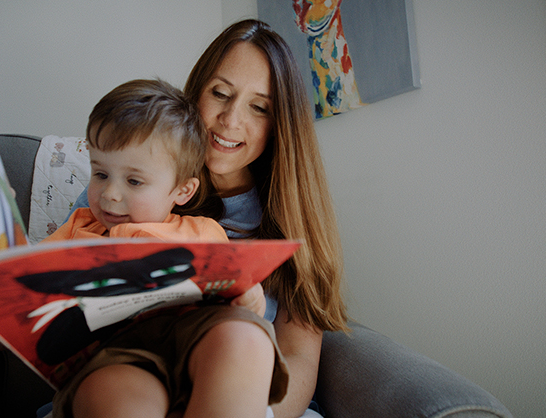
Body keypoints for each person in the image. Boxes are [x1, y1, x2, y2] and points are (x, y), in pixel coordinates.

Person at [67, 19, 349, 418]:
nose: (230, 120)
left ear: (278, 125)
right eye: (220, 93)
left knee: (240, 341)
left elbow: (298, 358)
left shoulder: (289, 221)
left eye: (258, 107)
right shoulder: (117, 189)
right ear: (195, 90)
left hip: (243, 399)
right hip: (128, 378)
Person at [45, 78, 290, 418]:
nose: (109, 194)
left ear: (183, 191)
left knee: (246, 339)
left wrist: (251, 301)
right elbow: (14, 310)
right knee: (116, 396)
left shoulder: (204, 231)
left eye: (134, 181)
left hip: (197, 345)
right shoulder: (78, 229)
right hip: (119, 354)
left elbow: (238, 293)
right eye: (100, 174)